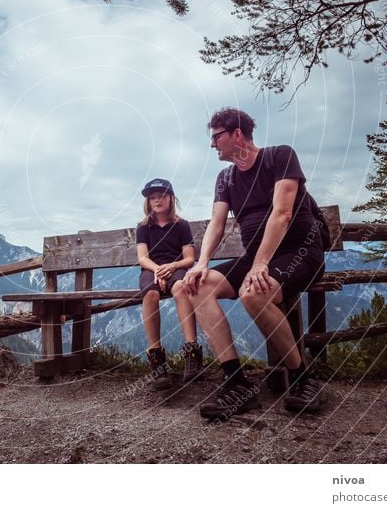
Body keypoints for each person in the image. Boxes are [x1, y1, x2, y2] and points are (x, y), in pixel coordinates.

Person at [181, 108, 326, 420]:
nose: (212, 145)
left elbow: (282, 213)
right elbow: (217, 225)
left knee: (253, 293)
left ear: (236, 134)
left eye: (216, 137)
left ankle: (303, 379)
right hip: (256, 257)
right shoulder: (226, 178)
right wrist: (202, 262)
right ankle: (236, 384)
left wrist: (260, 264)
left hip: (301, 251)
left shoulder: (280, 156)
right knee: (194, 286)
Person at [136, 178, 203, 390]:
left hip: (176, 268)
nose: (157, 200)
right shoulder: (143, 227)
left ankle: (192, 352)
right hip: (151, 270)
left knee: (181, 288)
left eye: (162, 196)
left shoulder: (181, 225)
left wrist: (171, 268)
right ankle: (157, 361)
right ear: (148, 202)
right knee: (150, 294)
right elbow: (142, 258)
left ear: (171, 198)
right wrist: (157, 270)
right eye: (152, 197)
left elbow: (189, 258)